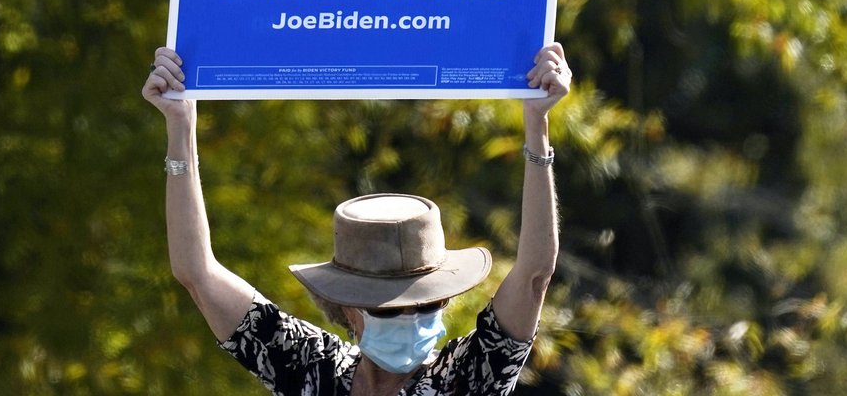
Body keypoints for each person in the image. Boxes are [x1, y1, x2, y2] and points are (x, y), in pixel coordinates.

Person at [142, 43, 572, 396]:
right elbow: (196, 273)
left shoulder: (466, 377)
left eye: (427, 304)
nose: (413, 319)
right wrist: (180, 124)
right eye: (392, 308)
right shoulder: (313, 369)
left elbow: (535, 275)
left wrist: (538, 125)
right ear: (350, 309)